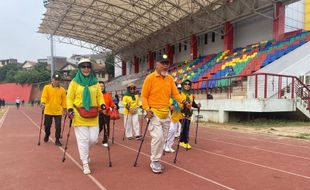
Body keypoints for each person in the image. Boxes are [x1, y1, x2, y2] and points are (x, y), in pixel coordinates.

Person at [141, 55, 188, 174]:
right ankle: (155, 161)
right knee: (158, 137)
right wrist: (147, 109)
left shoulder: (170, 79)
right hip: (153, 113)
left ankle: (157, 155)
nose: (165, 65)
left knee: (164, 138)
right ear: (157, 64)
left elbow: (176, 94)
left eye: (167, 63)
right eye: (163, 63)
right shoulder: (149, 78)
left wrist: (184, 101)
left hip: (166, 113)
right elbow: (144, 96)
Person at [67, 58, 105, 175]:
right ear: (79, 68)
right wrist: (69, 109)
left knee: (93, 139)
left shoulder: (95, 82)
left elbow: (99, 96)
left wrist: (102, 104)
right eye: (83, 67)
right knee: (83, 140)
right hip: (79, 114)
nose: (86, 69)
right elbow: (69, 97)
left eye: (88, 66)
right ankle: (85, 163)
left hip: (93, 115)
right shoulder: (74, 82)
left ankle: (85, 154)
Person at [40, 73, 67, 146]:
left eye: (58, 80)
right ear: (52, 79)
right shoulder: (47, 87)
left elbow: (64, 100)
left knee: (58, 127)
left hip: (58, 111)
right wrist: (43, 103)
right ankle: (47, 134)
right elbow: (44, 96)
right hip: (48, 110)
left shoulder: (62, 90)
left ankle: (57, 140)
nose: (56, 81)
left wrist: (65, 109)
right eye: (55, 80)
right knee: (47, 126)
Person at [178, 79, 201, 150]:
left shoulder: (190, 94)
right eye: (186, 84)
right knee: (185, 127)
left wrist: (197, 105)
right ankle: (184, 142)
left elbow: (193, 103)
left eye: (189, 85)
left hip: (188, 113)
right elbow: (177, 102)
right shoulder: (180, 93)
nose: (187, 86)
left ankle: (182, 141)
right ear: (183, 85)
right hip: (181, 113)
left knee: (186, 127)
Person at [98, 81, 115, 147]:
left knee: (106, 127)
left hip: (107, 113)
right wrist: (103, 109)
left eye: (102, 86)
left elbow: (111, 103)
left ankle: (105, 141)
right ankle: (95, 136)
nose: (101, 87)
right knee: (100, 127)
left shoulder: (107, 95)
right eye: (100, 86)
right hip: (100, 113)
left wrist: (114, 106)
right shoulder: (96, 95)